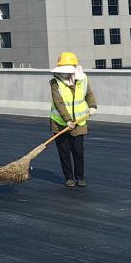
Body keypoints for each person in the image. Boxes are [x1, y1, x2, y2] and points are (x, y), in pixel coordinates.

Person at [49, 51, 97, 187]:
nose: (65, 74)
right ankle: (69, 178)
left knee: (78, 151)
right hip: (60, 123)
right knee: (64, 151)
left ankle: (80, 177)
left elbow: (89, 94)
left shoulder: (83, 79)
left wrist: (92, 106)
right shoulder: (55, 83)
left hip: (79, 122)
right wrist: (68, 120)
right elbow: (59, 103)